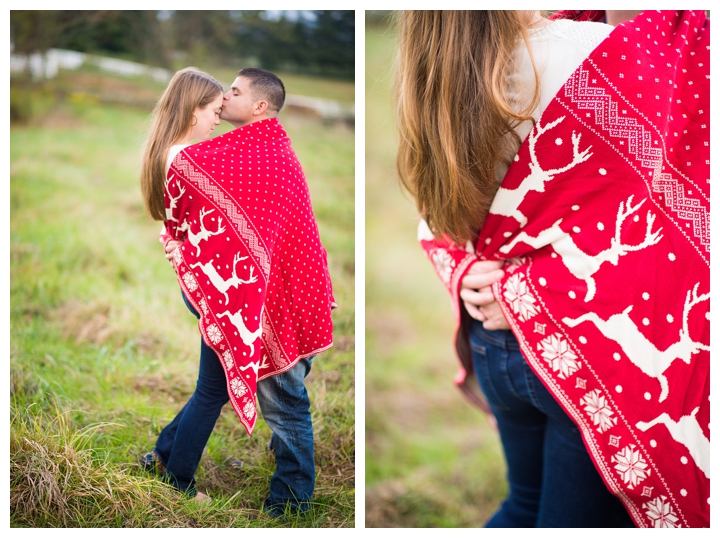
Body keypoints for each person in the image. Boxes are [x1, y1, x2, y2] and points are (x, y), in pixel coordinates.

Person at [395, 10, 709, 528]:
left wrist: (476, 274)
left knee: (523, 503)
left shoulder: (430, 71)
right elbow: (666, 217)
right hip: (584, 358)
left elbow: (436, 209)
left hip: (495, 344)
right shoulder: (603, 53)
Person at [140, 66, 335, 516]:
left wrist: (176, 243)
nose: (224, 102)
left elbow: (293, 230)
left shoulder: (250, 154)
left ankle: (168, 456)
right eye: (215, 102)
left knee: (213, 386)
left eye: (233, 93)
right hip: (230, 293)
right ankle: (284, 502)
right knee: (263, 397)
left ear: (260, 106)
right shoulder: (208, 157)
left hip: (234, 290)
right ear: (192, 110)